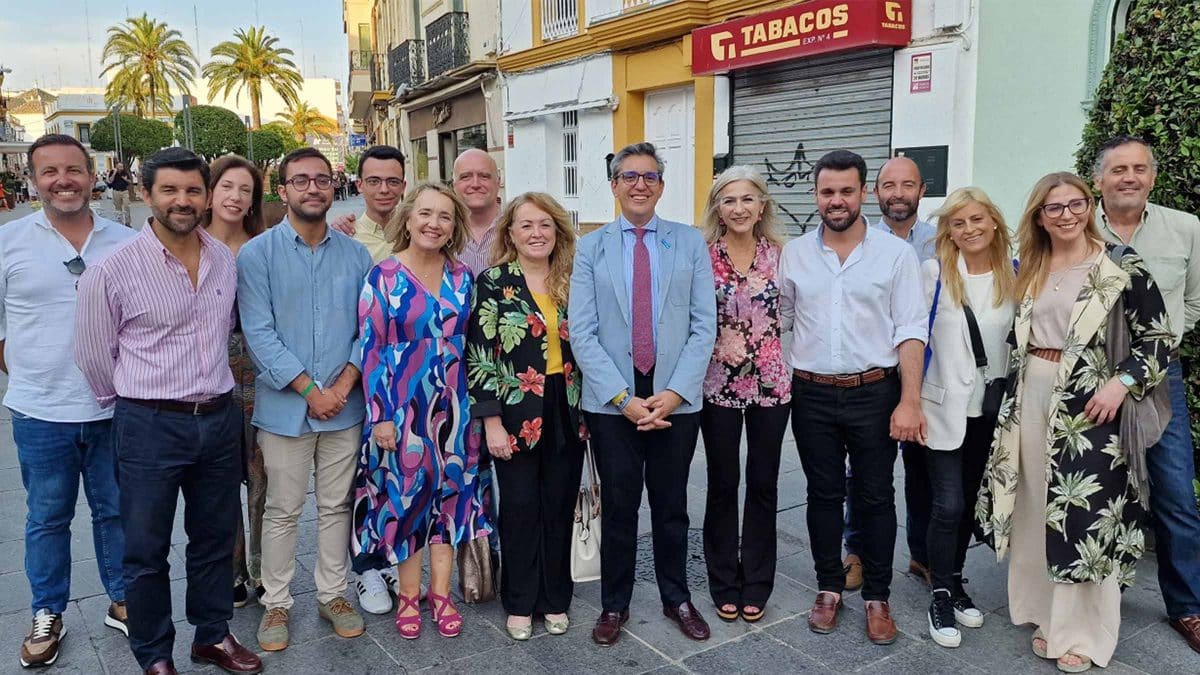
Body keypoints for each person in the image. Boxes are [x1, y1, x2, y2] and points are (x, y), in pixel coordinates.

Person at [74, 146, 262, 675]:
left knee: (214, 537)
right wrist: (139, 406)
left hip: (218, 418)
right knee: (145, 548)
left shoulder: (225, 260)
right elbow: (92, 356)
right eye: (170, 190)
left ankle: (212, 635)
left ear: (206, 195)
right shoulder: (112, 271)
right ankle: (155, 654)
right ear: (146, 194)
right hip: (149, 424)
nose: (183, 201)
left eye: (193, 190)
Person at [977, 172, 1172, 672]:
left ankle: (1085, 633)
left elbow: (1158, 339)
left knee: (1085, 517)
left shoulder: (1120, 266)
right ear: (1039, 216)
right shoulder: (1033, 266)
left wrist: (1120, 384)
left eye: (1075, 204)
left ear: (1090, 205)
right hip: (1031, 400)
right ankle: (1047, 618)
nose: (1066, 214)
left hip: (1091, 410)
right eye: (1053, 207)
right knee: (1034, 510)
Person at [570, 142, 717, 646]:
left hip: (675, 398)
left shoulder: (689, 242)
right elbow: (582, 333)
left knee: (672, 504)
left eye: (649, 176)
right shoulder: (590, 248)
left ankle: (677, 597)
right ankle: (615, 604)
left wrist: (674, 394)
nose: (639, 184)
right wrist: (622, 399)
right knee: (620, 504)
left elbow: (704, 326)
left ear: (662, 184)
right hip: (615, 403)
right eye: (628, 176)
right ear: (613, 185)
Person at [778, 149, 926, 645]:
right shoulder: (795, 253)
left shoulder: (895, 255)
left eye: (846, 191)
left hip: (874, 392)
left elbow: (910, 329)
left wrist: (910, 400)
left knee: (876, 495)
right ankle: (828, 587)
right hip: (813, 393)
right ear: (816, 195)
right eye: (827, 192)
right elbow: (784, 321)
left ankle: (878, 596)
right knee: (821, 494)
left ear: (863, 192)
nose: (836, 200)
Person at [2, 134, 135, 669]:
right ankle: (47, 610)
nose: (64, 180)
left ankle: (123, 599)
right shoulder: (9, 243)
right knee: (47, 517)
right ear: (34, 180)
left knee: (117, 511)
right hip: (40, 413)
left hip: (113, 409)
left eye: (74, 169)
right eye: (51, 171)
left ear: (92, 174)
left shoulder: (126, 241)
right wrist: (31, 372)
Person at [237, 147, 372, 652]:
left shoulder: (356, 255)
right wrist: (310, 391)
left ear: (332, 186)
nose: (312, 188)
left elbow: (368, 328)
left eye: (321, 179)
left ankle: (334, 594)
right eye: (301, 180)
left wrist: (342, 386)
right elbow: (260, 332)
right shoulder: (257, 256)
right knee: (283, 508)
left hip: (345, 406)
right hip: (285, 409)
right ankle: (276, 602)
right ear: (283, 188)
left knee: (337, 505)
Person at [352, 182, 491, 639]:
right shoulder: (384, 276)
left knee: (451, 501)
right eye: (426, 214)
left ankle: (442, 595)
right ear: (408, 219)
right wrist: (381, 417)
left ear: (454, 227)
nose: (434, 223)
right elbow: (371, 351)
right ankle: (409, 597)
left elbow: (473, 345)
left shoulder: (462, 277)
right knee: (408, 504)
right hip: (404, 411)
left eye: (445, 217)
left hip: (456, 407)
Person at [1091, 135, 1200, 654]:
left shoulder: (1185, 228)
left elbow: (1195, 300)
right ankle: (1095, 593)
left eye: (1138, 168)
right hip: (1090, 380)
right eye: (1117, 170)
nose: (1128, 177)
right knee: (1097, 488)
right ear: (1099, 179)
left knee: (1176, 491)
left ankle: (1188, 606)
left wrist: (1163, 344)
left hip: (1161, 379)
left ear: (1152, 176)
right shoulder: (1074, 223)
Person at [466, 192, 586, 640]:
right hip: (515, 408)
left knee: (558, 506)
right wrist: (491, 422)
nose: (537, 234)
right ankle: (519, 601)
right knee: (518, 508)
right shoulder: (494, 282)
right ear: (511, 233)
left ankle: (555, 598)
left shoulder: (573, 279)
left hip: (566, 405)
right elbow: (479, 356)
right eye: (527, 225)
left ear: (557, 231)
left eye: (545, 225)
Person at [914, 187, 1016, 648]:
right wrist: (908, 400)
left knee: (970, 501)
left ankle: (954, 583)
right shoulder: (935, 272)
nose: (970, 229)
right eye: (959, 223)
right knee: (948, 504)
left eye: (977, 220)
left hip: (990, 412)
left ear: (994, 223)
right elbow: (912, 337)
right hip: (941, 407)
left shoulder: (1014, 275)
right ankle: (939, 596)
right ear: (948, 232)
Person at [696, 166, 791, 624]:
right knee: (721, 484)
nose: (738, 208)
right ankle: (723, 581)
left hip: (773, 383)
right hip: (717, 385)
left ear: (762, 205)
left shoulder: (782, 256)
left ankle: (757, 581)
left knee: (764, 484)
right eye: (729, 200)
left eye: (747, 199)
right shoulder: (702, 256)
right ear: (717, 207)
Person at [844, 155, 938, 591]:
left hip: (932, 373)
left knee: (925, 469)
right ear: (874, 192)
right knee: (864, 474)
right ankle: (856, 552)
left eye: (907, 185)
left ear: (922, 189)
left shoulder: (944, 241)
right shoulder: (859, 242)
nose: (897, 193)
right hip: (877, 376)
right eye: (888, 185)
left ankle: (922, 555)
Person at [201, 155, 268, 610]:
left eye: (245, 190)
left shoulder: (262, 247)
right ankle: (232, 571)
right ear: (211, 190)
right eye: (227, 186)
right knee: (219, 480)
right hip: (206, 375)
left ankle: (265, 570)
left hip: (261, 377)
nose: (235, 197)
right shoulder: (190, 244)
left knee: (264, 479)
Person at [352, 145, 408, 265]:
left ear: (403, 187)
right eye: (374, 181)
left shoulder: (416, 232)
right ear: (359, 185)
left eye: (393, 182)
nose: (384, 189)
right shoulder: (347, 238)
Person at [106, 162, 132, 226]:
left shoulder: (124, 172)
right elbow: (110, 180)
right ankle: (120, 223)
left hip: (124, 191)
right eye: (119, 167)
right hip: (116, 191)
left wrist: (125, 180)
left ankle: (128, 222)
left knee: (127, 206)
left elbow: (130, 181)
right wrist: (114, 173)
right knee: (118, 208)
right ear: (116, 167)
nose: (121, 168)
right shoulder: (112, 172)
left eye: (122, 167)